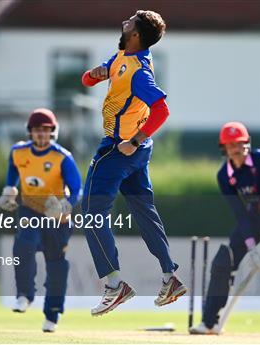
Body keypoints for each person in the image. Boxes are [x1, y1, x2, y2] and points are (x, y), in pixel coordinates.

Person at [80, 10, 186, 316]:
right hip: (137, 152)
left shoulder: (140, 71)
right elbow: (87, 79)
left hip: (119, 148)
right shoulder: (122, 57)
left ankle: (115, 285)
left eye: (129, 22)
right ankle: (170, 277)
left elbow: (161, 110)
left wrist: (135, 140)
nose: (123, 22)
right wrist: (95, 75)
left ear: (136, 34)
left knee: (90, 210)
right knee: (144, 211)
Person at [190, 122, 260, 336]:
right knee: (224, 261)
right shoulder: (224, 175)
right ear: (224, 148)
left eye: (241, 142)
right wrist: (252, 246)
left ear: (247, 143)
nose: (237, 148)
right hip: (254, 214)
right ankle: (209, 322)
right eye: (231, 144)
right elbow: (240, 213)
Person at [0, 108, 82, 332]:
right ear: (30, 132)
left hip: (56, 214)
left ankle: (52, 315)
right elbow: (13, 173)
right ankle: (24, 295)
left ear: (52, 132)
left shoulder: (62, 157)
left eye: (45, 130)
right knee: (24, 245)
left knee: (56, 265)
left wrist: (67, 206)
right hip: (30, 209)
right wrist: (9, 189)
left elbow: (77, 188)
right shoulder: (18, 152)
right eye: (37, 130)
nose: (41, 135)